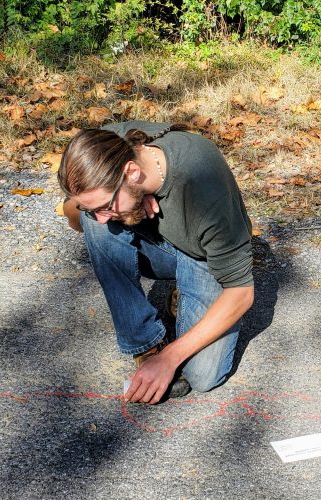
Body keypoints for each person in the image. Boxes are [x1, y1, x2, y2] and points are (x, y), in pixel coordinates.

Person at [58, 121, 254, 404]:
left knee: (203, 375)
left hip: (204, 256)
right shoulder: (104, 149)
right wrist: (125, 209)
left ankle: (184, 303)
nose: (100, 216)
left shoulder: (203, 185)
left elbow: (241, 293)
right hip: (162, 240)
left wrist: (170, 359)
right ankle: (146, 343)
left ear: (132, 172)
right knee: (99, 227)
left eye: (104, 206)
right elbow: (74, 217)